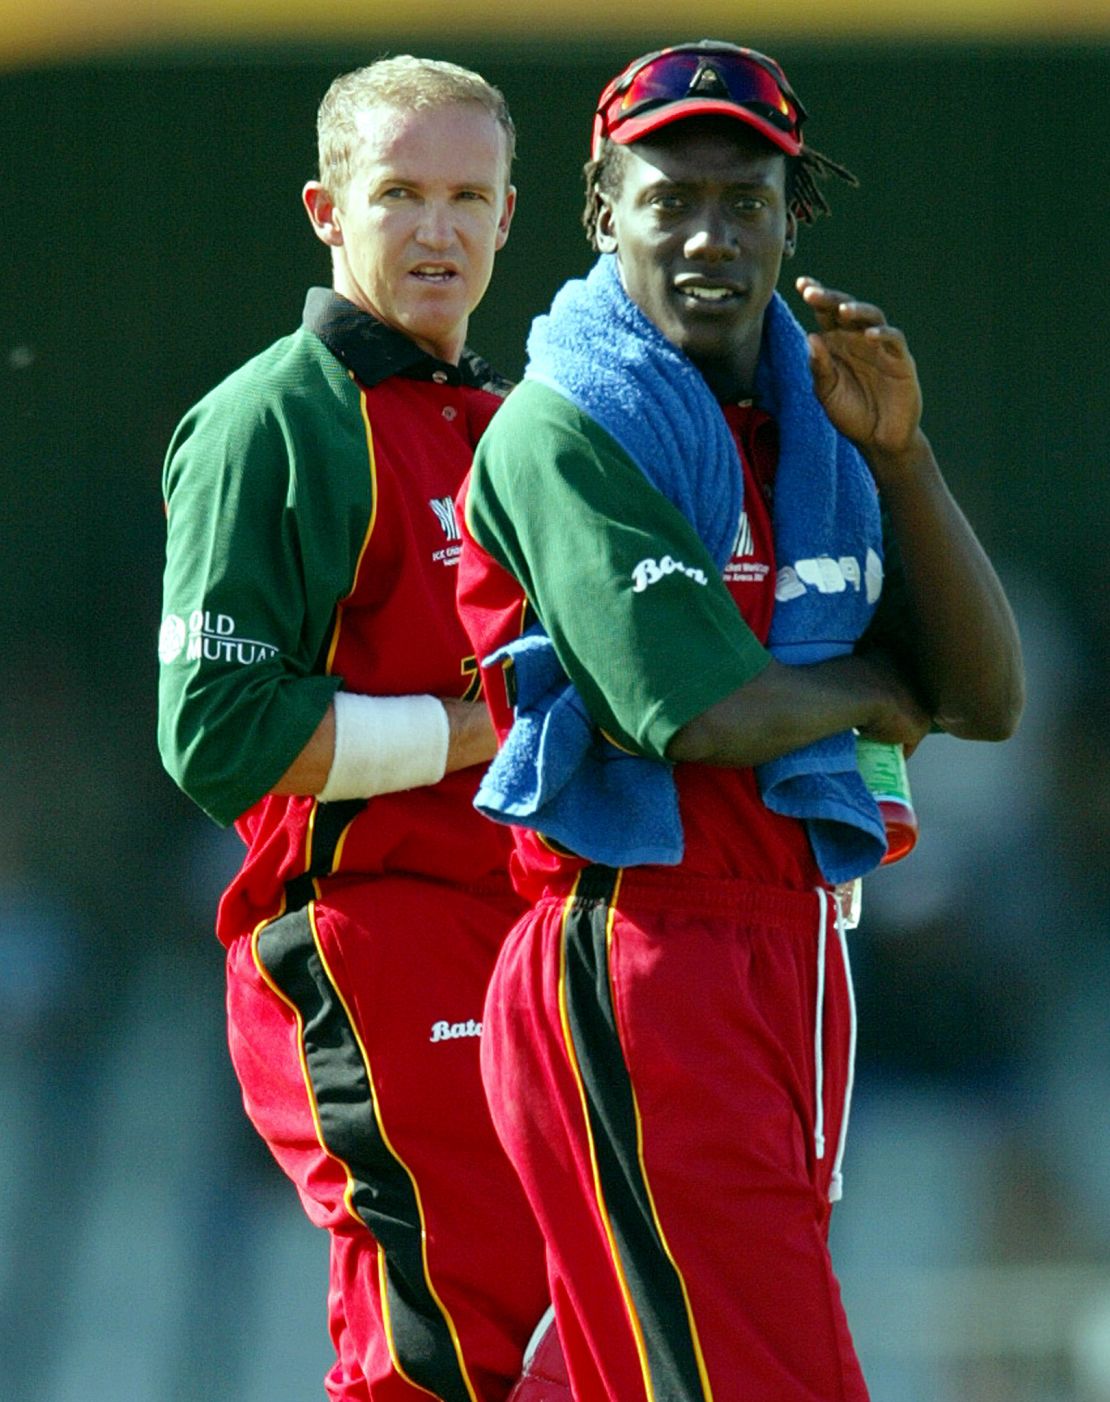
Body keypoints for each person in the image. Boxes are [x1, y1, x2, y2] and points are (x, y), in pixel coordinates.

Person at [456, 39, 1024, 1402]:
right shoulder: (564, 424)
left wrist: (899, 452)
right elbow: (693, 707)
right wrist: (879, 692)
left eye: (745, 199)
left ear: (790, 216)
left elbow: (985, 695)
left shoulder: (816, 422)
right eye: (669, 198)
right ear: (603, 214)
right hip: (645, 951)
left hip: (794, 952)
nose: (710, 234)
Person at [156, 56, 550, 1402]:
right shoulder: (272, 417)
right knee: (434, 1346)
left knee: (546, 1345)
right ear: (327, 210)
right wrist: (471, 728)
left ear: (509, 217)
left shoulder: (509, 423)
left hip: (519, 930)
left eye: (465, 195)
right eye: (399, 194)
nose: (435, 228)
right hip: (370, 937)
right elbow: (216, 732)